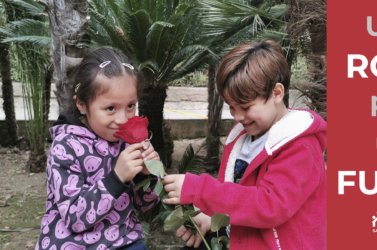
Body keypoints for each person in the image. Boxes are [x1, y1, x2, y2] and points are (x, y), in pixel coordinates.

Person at [162, 40, 327, 250]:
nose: (238, 116)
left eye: (246, 107)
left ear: (276, 93)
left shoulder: (300, 147)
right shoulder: (243, 139)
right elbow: (238, 200)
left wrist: (199, 190)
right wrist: (212, 221)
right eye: (232, 107)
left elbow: (269, 205)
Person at [35, 48, 160, 250]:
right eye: (110, 108)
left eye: (131, 105)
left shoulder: (133, 141)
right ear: (82, 105)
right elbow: (75, 218)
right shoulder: (66, 147)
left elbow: (146, 205)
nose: (122, 119)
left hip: (123, 242)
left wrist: (147, 175)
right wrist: (117, 178)